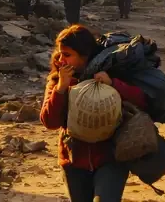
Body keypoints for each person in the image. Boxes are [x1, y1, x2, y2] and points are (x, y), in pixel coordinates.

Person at [40, 25, 145, 202]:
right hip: (74, 162)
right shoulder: (58, 80)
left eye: (67, 55)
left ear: (85, 55)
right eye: (60, 54)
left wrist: (113, 84)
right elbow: (49, 122)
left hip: (110, 158)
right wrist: (61, 89)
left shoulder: (109, 72)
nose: (62, 60)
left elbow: (141, 101)